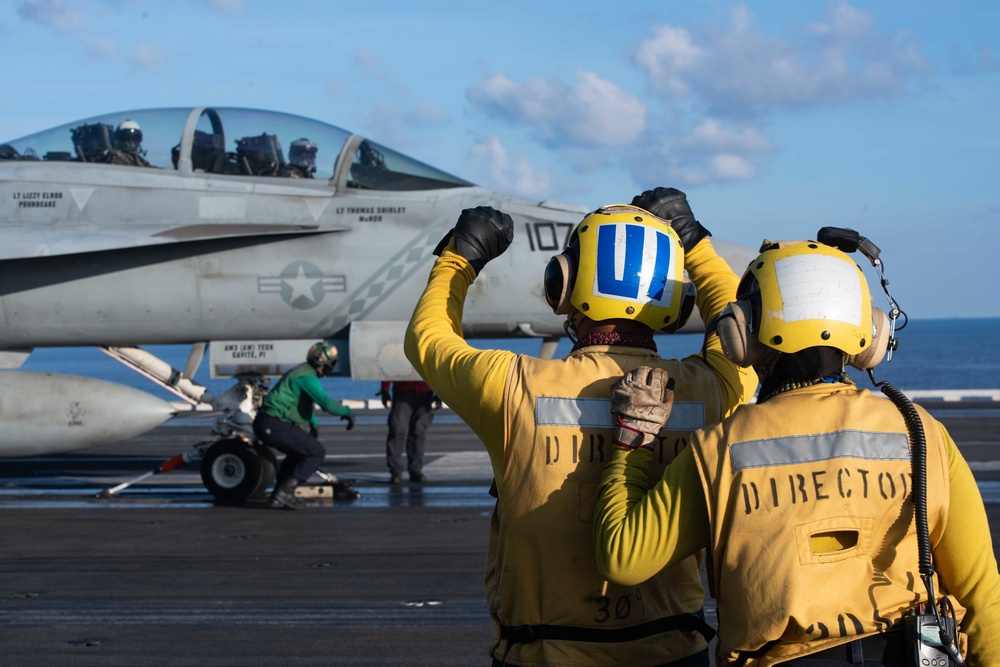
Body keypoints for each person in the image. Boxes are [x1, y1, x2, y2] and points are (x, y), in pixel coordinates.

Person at [594, 239, 1000, 665]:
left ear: (742, 331)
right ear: (867, 334)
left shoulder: (720, 448)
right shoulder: (921, 432)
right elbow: (980, 593)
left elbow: (624, 557)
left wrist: (633, 440)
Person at [404, 188, 758, 666]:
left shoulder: (512, 385)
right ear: (677, 300)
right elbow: (738, 331)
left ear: (562, 284)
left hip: (546, 653)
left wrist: (459, 258)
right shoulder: (710, 389)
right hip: (675, 650)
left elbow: (427, 339)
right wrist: (693, 242)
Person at [253, 341, 355, 510]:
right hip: (273, 423)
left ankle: (279, 494)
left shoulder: (303, 372)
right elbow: (326, 403)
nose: (332, 367)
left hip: (267, 423)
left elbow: (303, 403)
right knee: (316, 452)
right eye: (332, 362)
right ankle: (285, 492)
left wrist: (313, 423)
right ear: (321, 361)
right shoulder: (307, 377)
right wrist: (347, 412)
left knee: (298, 453)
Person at [377, 380, 440, 484]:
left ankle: (415, 470)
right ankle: (395, 471)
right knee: (397, 429)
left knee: (418, 430)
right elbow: (387, 366)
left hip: (425, 391)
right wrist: (385, 389)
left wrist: (439, 394)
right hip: (403, 389)